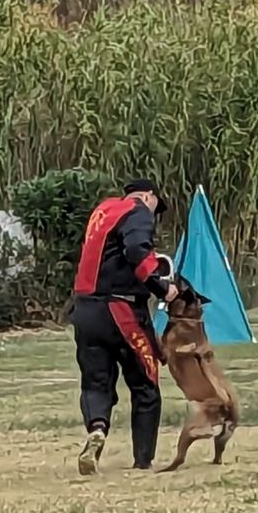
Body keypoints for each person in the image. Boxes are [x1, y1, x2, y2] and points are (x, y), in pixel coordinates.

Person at [70, 178, 179, 475]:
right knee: (145, 383)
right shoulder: (138, 210)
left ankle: (97, 428)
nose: (154, 215)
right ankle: (143, 460)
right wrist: (161, 287)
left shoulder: (103, 211)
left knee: (96, 382)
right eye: (157, 207)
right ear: (148, 195)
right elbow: (136, 251)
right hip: (121, 310)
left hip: (85, 311)